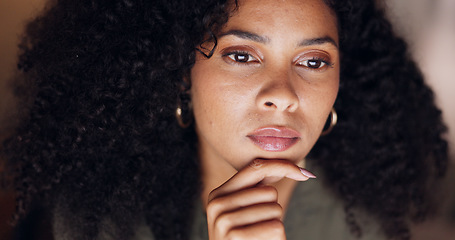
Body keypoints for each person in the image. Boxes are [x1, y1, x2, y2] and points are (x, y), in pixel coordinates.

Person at [0, 0, 448, 239]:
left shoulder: (364, 221)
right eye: (241, 54)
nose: (282, 96)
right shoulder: (95, 220)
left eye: (313, 61)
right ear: (180, 75)